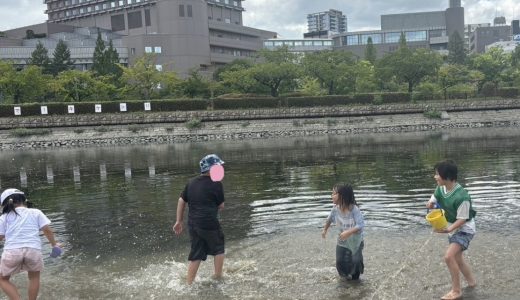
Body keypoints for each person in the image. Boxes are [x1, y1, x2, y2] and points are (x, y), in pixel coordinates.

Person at [426, 160, 477, 300]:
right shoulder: (440, 189)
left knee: (449, 257)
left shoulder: (462, 197)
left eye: (437, 174)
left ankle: (456, 291)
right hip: (453, 228)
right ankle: (472, 283)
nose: (435, 177)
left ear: (447, 177)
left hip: (465, 229)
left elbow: (462, 219)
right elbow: (433, 200)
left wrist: (448, 229)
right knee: (458, 258)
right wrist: (430, 204)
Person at [173, 154, 226, 285]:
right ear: (212, 169)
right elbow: (221, 206)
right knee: (219, 248)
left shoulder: (191, 183)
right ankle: (218, 276)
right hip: (209, 223)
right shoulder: (217, 184)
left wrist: (178, 221)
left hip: (193, 225)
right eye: (219, 166)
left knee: (196, 254)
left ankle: (189, 282)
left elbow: (181, 200)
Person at [0, 188, 60, 300]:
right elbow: (47, 230)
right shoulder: (36, 212)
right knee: (34, 278)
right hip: (33, 250)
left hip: (12, 251)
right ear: (24, 200)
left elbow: (0, 236)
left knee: (3, 279)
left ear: (5, 205)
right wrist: (54, 245)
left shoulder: (4, 217)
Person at [322, 183, 365, 280]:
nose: (331, 196)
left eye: (334, 193)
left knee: (356, 261)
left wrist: (348, 232)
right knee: (340, 261)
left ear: (342, 196)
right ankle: (345, 279)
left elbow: (360, 225)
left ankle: (355, 281)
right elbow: (329, 219)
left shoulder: (354, 209)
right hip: (342, 240)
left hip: (355, 240)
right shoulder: (335, 209)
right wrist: (325, 230)